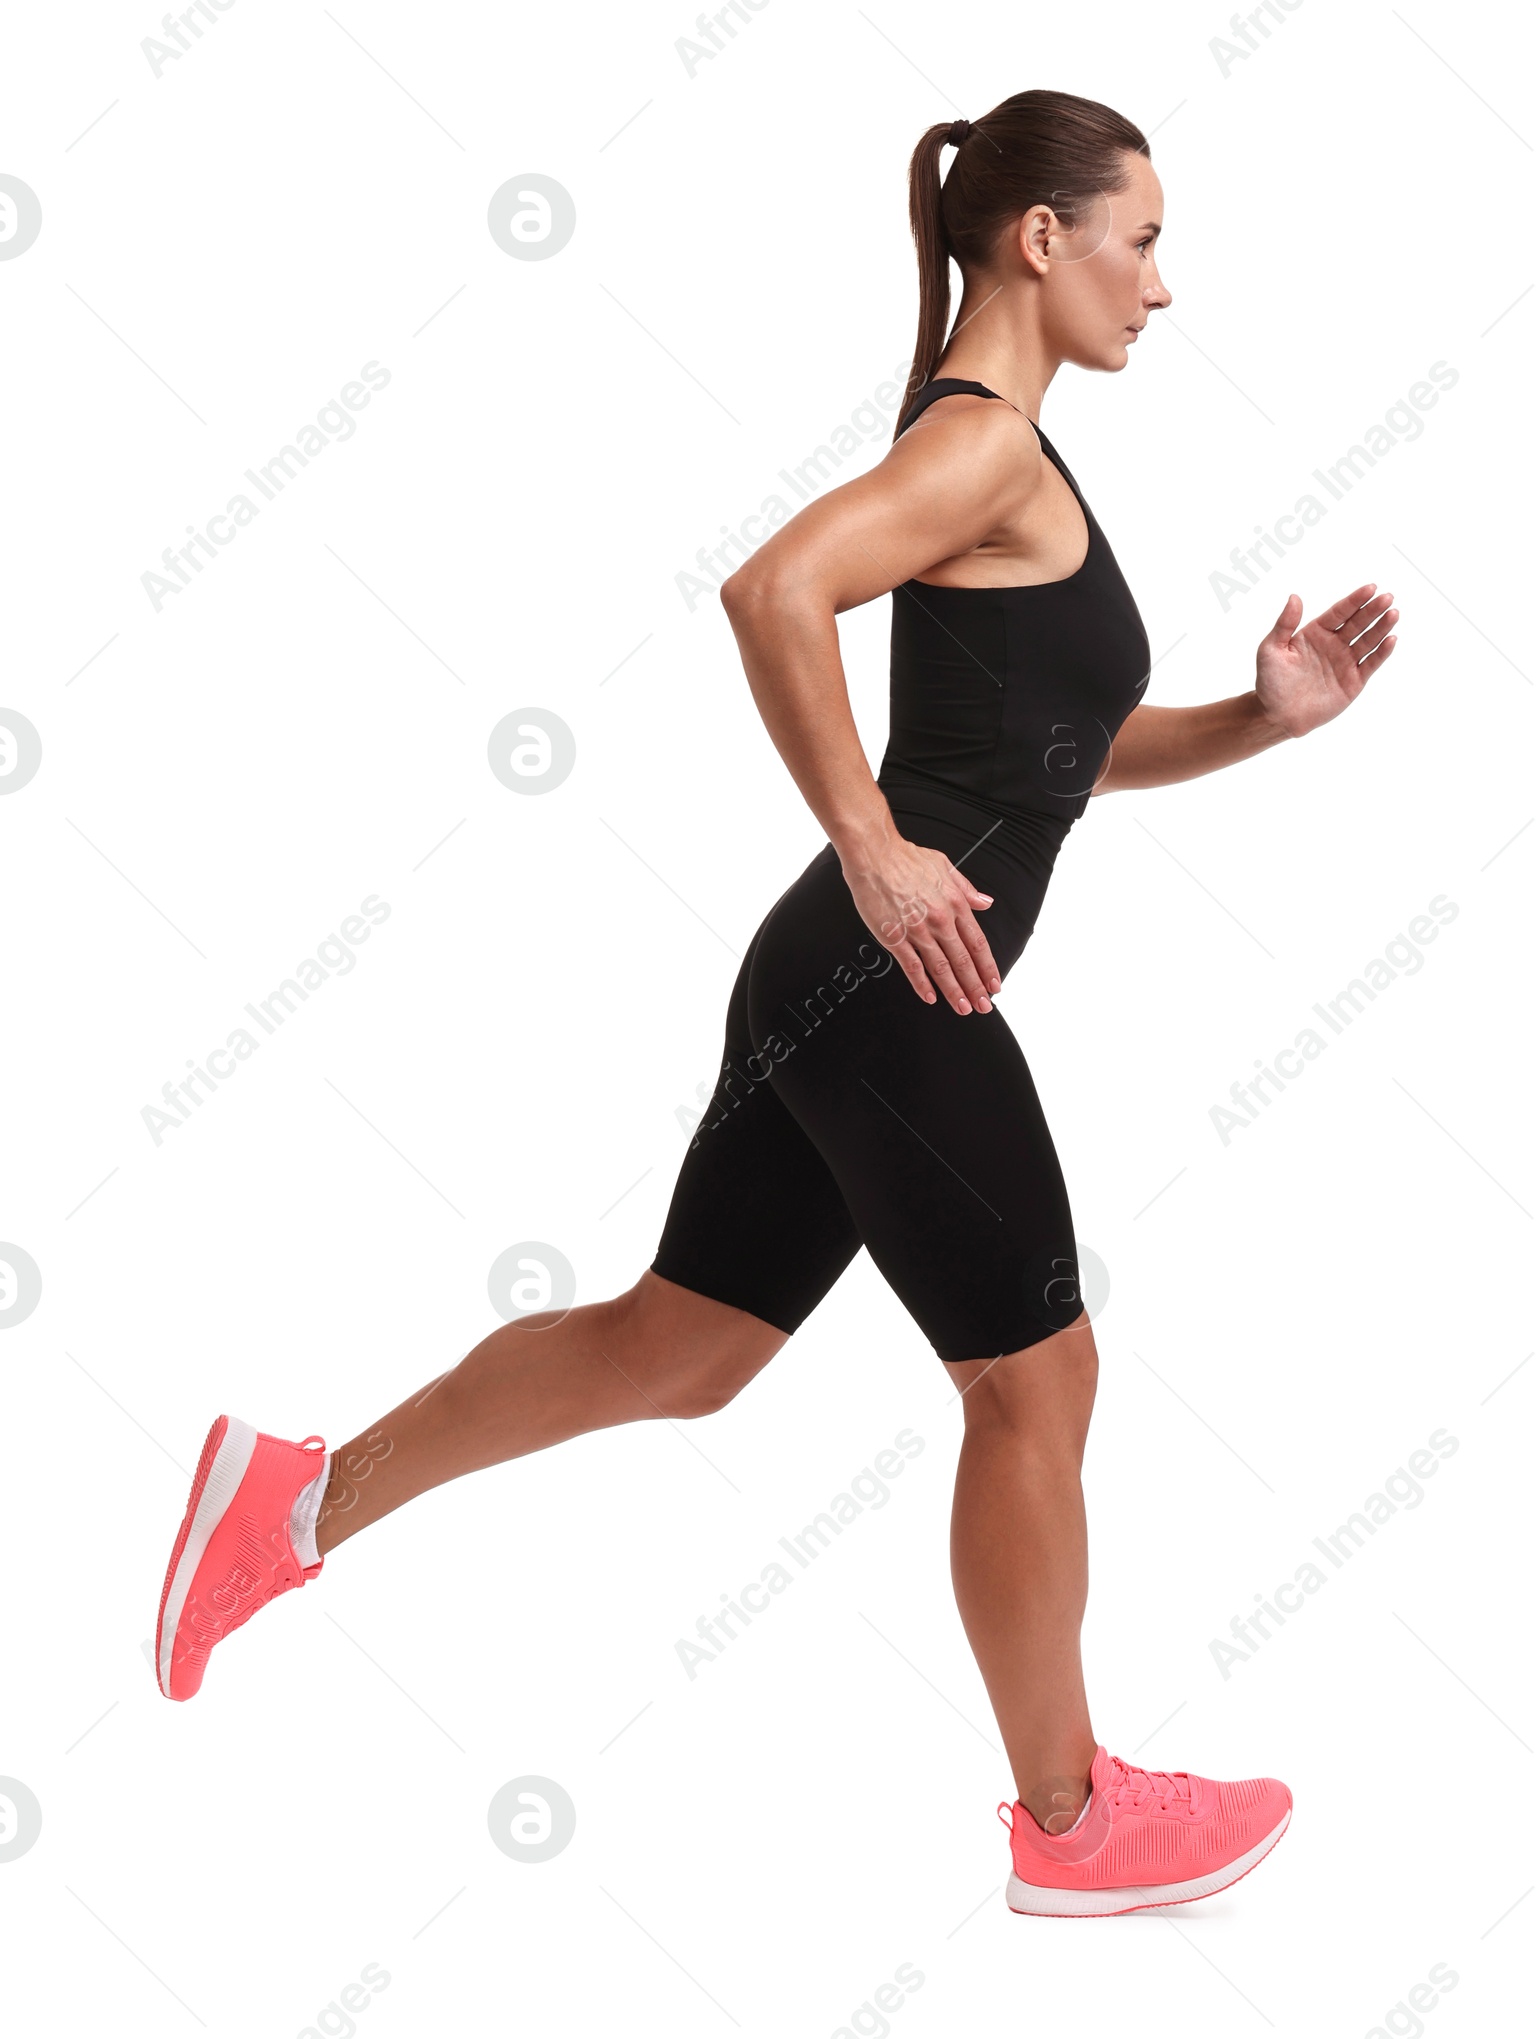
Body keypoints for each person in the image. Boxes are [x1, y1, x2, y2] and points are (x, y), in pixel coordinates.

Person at [154, 89, 1397, 1917]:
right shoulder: (981, 447)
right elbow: (774, 590)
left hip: (836, 973)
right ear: (1040, 240)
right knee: (1035, 1376)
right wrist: (874, 840)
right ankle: (1070, 1827)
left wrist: (1255, 719)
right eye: (1140, 238)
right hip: (885, 977)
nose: (1161, 282)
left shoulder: (1010, 463)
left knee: (684, 1347)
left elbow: (1049, 753)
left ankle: (288, 1505)